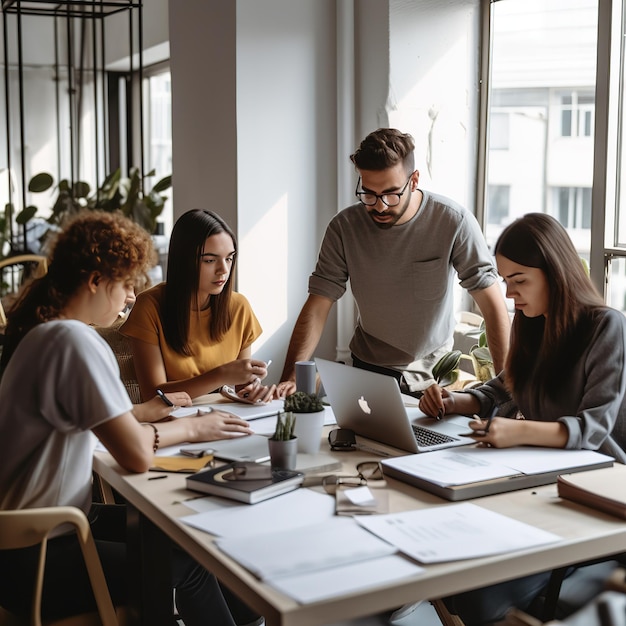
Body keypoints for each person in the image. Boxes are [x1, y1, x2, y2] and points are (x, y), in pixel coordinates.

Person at [0, 211, 261, 626]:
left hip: (39, 534)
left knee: (186, 537)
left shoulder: (44, 332)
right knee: (191, 560)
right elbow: (136, 455)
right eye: (124, 285)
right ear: (94, 280)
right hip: (37, 556)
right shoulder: (74, 341)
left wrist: (139, 414)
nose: (129, 298)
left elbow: (87, 424)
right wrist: (194, 426)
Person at [419, 212, 626, 625]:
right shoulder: (534, 325)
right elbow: (503, 387)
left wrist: (517, 431)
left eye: (519, 280)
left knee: (476, 591)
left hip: (597, 497)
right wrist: (453, 401)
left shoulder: (606, 327)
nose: (509, 294)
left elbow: (593, 429)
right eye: (504, 280)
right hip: (544, 484)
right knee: (453, 568)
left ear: (555, 272)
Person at [277, 127, 510, 396]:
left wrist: (505, 390)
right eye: (369, 193)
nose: (380, 205)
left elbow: (492, 307)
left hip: (435, 378)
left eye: (391, 193)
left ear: (414, 181)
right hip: (367, 371)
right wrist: (291, 377)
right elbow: (318, 305)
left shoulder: (453, 221)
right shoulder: (344, 227)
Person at [122, 209, 275, 403]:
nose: (224, 270)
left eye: (229, 258)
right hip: (174, 423)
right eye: (210, 260)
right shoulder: (150, 307)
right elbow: (153, 394)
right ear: (184, 261)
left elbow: (241, 389)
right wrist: (220, 376)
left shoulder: (239, 307)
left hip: (225, 420)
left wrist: (253, 391)